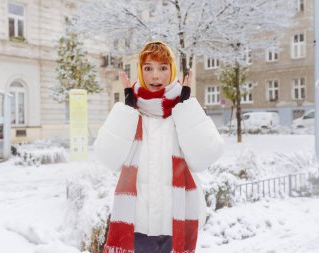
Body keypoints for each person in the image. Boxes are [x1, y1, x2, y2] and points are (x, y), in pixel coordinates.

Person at [94, 41, 224, 253]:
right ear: (140, 71)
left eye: (163, 68)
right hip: (135, 226)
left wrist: (186, 107)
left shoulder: (182, 110)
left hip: (175, 225)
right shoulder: (130, 112)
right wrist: (127, 111)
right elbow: (107, 158)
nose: (155, 76)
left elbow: (206, 156)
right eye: (148, 68)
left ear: (172, 70)